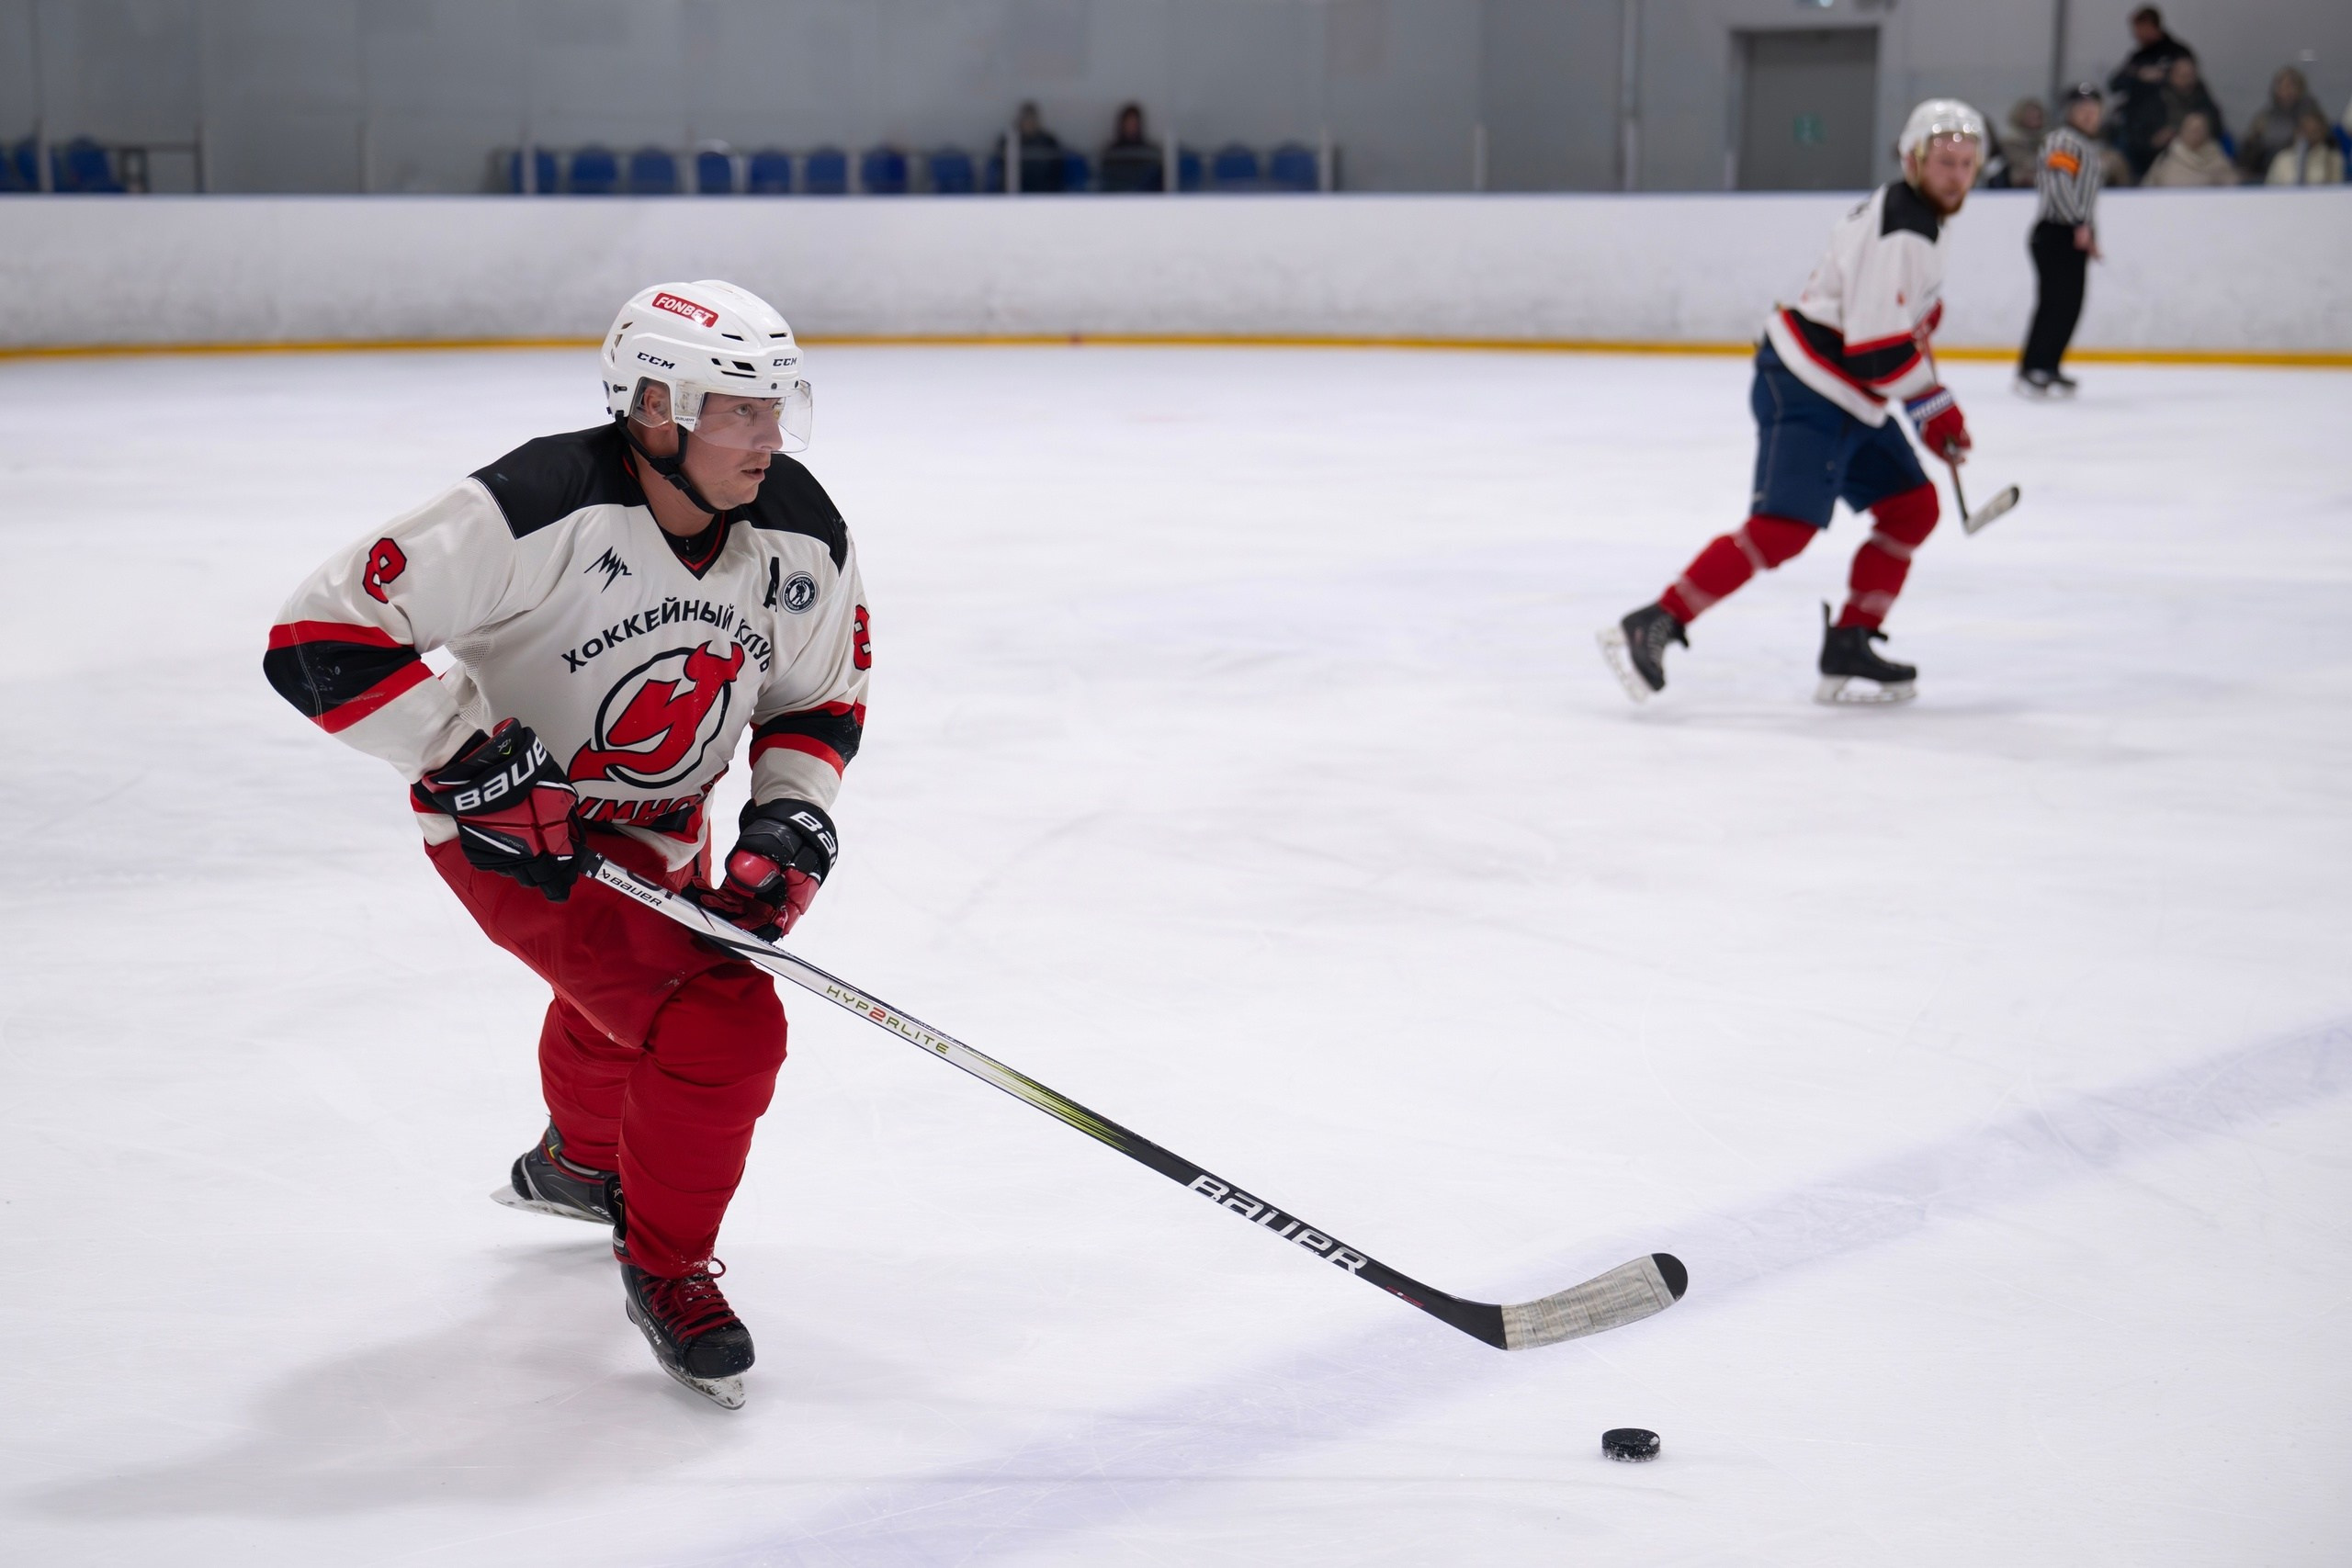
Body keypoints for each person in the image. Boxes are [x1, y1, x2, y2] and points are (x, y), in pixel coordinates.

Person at [263, 280, 871, 1409]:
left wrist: (791, 811)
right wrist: (464, 755)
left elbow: (817, 700)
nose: (769, 438)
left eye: (776, 409)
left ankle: (583, 1165)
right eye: (739, 410)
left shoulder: (798, 521)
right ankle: (667, 1263)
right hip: (518, 841)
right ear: (653, 406)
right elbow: (318, 637)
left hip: (666, 834)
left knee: (628, 1006)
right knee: (723, 1020)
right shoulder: (533, 504)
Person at [1598, 101, 1985, 707]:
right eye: (1943, 162)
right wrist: (1933, 405)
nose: (1956, 174)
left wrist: (1924, 401)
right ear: (1913, 160)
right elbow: (1878, 350)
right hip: (1809, 383)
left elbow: (1891, 337)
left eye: (1966, 163)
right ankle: (1656, 621)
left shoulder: (1919, 215)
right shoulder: (1905, 227)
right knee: (1784, 528)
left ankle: (1850, 640)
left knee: (1911, 507)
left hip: (1848, 393)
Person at [2018, 85, 2106, 398]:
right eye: (2083, 109)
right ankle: (2034, 367)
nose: (2090, 114)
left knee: (2070, 303)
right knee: (2055, 302)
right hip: (2056, 231)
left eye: (2094, 109)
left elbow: (2085, 197)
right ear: (2070, 112)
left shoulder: (2086, 146)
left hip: (2071, 233)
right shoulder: (2063, 141)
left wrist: (2090, 232)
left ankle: (2049, 365)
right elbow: (2059, 186)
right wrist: (2078, 223)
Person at [2107, 6, 2193, 178]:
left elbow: (2190, 92)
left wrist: (2164, 78)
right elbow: (2115, 83)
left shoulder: (2177, 53)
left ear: (2151, 26)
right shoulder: (2138, 57)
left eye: (2139, 29)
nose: (2136, 35)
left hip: (2168, 127)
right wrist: (2138, 75)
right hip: (2136, 130)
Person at [2237, 67, 2322, 182]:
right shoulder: (2265, 117)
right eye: (2282, 87)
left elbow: (2321, 139)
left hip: (2303, 166)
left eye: (2291, 86)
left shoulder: (2309, 113)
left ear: (2300, 89)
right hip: (2266, 170)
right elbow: (2249, 150)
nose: (2286, 91)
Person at [2151, 55, 2224, 160]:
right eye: (2183, 76)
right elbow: (2144, 135)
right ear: (2172, 75)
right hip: (2166, 153)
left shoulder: (2201, 95)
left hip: (2200, 150)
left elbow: (2217, 126)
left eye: (2191, 75)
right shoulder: (2157, 97)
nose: (2188, 81)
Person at [2144, 110, 2235, 186]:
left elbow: (2231, 187)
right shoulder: (2166, 158)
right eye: (2191, 129)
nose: (2195, 134)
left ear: (2207, 132)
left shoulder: (2218, 158)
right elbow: (2149, 187)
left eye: (2199, 129)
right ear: (2182, 131)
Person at [2265, 107, 2346, 185]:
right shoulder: (2282, 159)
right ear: (2296, 131)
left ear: (2323, 132)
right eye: (2304, 130)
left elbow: (2336, 192)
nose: (2308, 136)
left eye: (2314, 131)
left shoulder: (2332, 159)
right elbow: (2269, 191)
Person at [1098, 102, 1164, 193]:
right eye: (1129, 122)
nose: (1132, 127)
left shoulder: (1150, 153)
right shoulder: (1111, 154)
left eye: (1135, 123)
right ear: (1122, 124)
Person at [1009, 100, 1066, 192]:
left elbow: (1057, 169)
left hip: (1044, 190)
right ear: (1020, 120)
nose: (1029, 122)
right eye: (1026, 119)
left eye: (1032, 119)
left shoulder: (1049, 141)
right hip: (1018, 189)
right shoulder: (1009, 141)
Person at [1990, 98, 2047, 188]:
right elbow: (2022, 162)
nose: (2034, 119)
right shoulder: (2011, 142)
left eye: (2037, 116)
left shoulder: (2047, 140)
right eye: (2030, 116)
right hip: (2017, 186)